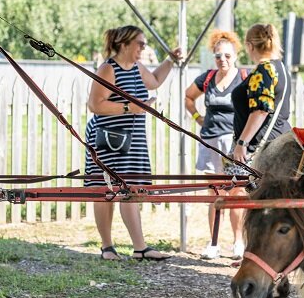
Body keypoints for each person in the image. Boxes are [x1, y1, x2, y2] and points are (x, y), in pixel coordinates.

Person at [84, 25, 182, 261]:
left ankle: (139, 248)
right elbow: (95, 104)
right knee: (106, 191)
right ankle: (109, 247)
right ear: (124, 44)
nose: (143, 48)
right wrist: (130, 107)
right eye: (139, 43)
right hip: (108, 139)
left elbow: (155, 80)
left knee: (130, 190)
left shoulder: (137, 67)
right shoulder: (109, 69)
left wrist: (170, 60)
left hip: (132, 139)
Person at [228, 23, 292, 258]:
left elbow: (260, 110)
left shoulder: (264, 70)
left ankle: (257, 254)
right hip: (279, 142)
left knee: (252, 201)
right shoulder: (280, 68)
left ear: (248, 45)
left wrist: (241, 143)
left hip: (261, 148)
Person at [184, 29, 248, 260]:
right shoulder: (208, 78)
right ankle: (213, 243)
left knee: (237, 191)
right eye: (219, 56)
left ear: (236, 55)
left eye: (228, 55)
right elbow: (188, 97)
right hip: (210, 140)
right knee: (214, 192)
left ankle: (238, 242)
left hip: (234, 142)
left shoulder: (243, 77)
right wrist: (197, 118)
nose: (223, 60)